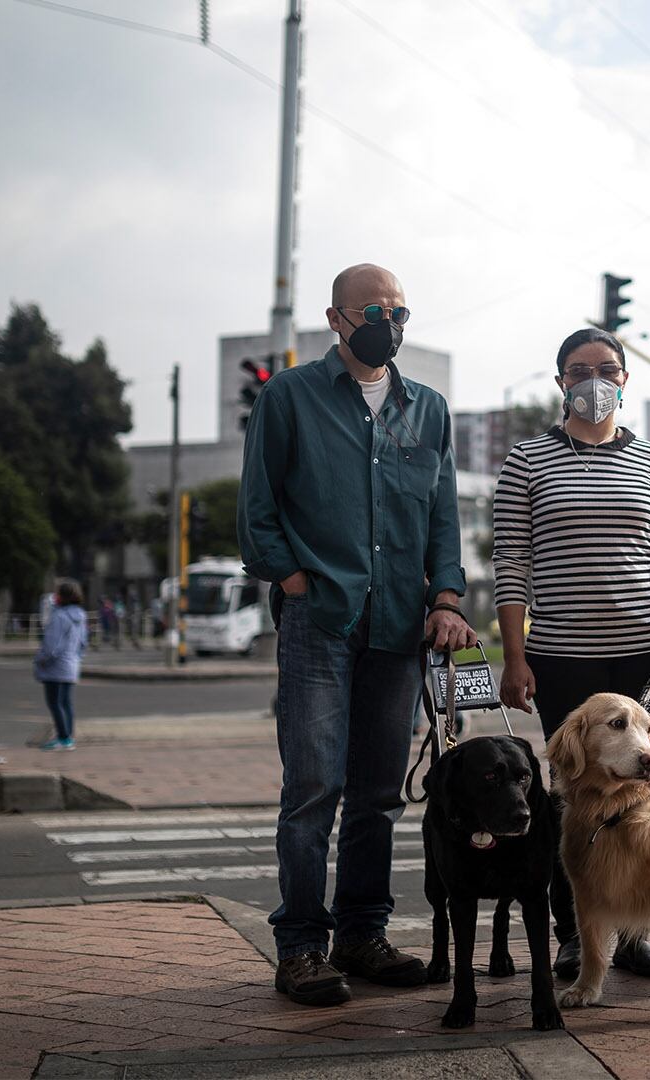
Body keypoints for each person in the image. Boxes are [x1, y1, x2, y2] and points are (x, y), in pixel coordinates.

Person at [239, 263, 476, 1008]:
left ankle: (361, 935)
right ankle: (302, 947)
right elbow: (257, 505)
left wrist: (445, 595)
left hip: (401, 624)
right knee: (314, 788)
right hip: (320, 619)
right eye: (375, 310)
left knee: (378, 794)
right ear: (337, 319)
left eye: (400, 311)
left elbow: (443, 515)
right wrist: (292, 577)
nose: (390, 323)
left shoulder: (429, 409)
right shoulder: (288, 397)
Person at [493, 326, 650, 983]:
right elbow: (512, 564)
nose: (593, 382)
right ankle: (577, 938)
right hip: (560, 661)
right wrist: (515, 657)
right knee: (576, 802)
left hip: (644, 661)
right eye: (578, 371)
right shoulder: (527, 461)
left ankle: (633, 935)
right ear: (560, 383)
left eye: (606, 369)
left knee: (646, 798)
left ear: (625, 380)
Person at [34, 580, 89, 751]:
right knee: (66, 703)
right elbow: (83, 643)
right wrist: (76, 658)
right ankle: (68, 737)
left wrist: (40, 659)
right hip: (71, 665)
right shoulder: (80, 616)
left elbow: (51, 646)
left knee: (55, 703)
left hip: (55, 668)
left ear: (63, 597)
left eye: (57, 594)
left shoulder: (59, 616)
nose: (55, 597)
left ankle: (63, 738)